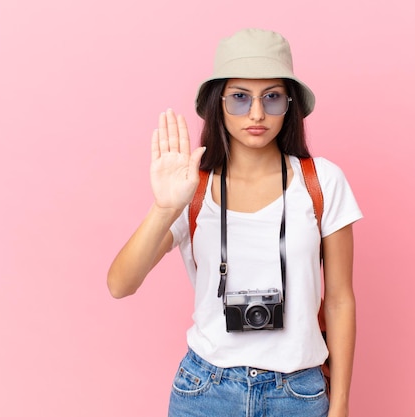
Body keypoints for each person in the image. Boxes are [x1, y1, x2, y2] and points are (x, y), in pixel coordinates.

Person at [107, 28, 363, 417]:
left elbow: (341, 299)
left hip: (298, 392)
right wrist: (164, 208)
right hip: (205, 390)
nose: (256, 113)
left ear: (290, 104)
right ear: (218, 103)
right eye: (240, 98)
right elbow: (120, 285)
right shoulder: (192, 188)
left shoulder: (322, 182)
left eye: (272, 97)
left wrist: (341, 401)